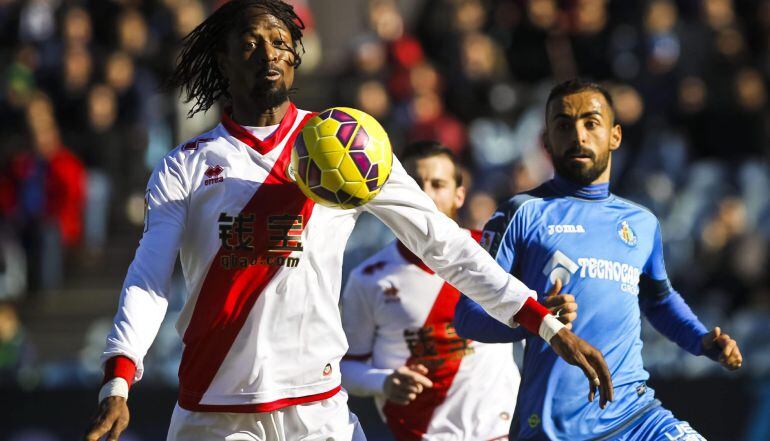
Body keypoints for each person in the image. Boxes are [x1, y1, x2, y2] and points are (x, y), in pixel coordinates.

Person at [83, 3, 612, 440]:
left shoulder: (347, 144)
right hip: (215, 411)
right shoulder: (188, 163)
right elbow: (149, 279)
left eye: (280, 41)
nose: (268, 53)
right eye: (249, 43)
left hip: (319, 412)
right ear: (222, 60)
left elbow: (442, 241)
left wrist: (542, 322)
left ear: (295, 57)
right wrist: (120, 378)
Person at [454, 79, 743, 441]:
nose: (578, 135)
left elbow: (659, 300)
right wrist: (536, 317)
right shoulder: (520, 214)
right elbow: (467, 317)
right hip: (555, 428)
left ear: (615, 135)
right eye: (563, 125)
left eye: (591, 123)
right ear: (546, 141)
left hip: (636, 415)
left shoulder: (642, 223)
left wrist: (701, 341)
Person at [341, 141, 569, 440]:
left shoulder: (495, 254)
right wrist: (383, 383)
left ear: (460, 195)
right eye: (414, 184)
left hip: (501, 432)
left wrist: (555, 311)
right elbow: (345, 368)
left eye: (438, 184)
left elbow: (534, 327)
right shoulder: (368, 278)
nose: (425, 195)